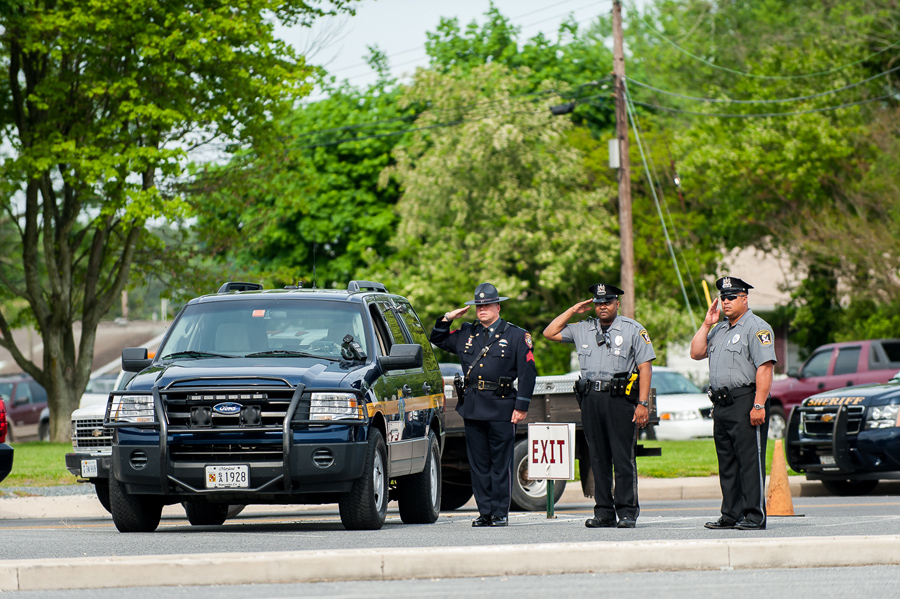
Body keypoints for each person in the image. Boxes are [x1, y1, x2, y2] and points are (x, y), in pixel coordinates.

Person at [542, 283, 655, 529]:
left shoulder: (633, 329)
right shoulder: (582, 328)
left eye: (607, 302)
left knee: (623, 458)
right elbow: (549, 333)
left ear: (617, 303)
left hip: (620, 400)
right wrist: (573, 310)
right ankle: (604, 512)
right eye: (598, 302)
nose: (602, 307)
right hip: (590, 398)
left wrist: (642, 403)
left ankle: (626, 512)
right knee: (598, 458)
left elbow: (645, 366)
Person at [430, 282, 536, 527]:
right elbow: (437, 339)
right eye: (478, 306)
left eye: (487, 305)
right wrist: (447, 318)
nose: (482, 309)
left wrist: (521, 406)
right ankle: (485, 511)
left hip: (502, 406)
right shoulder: (467, 333)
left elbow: (528, 373)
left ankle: (500, 512)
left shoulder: (516, 335)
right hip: (474, 407)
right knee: (478, 465)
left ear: (498, 307)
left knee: (500, 464)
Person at [690, 276, 776, 531]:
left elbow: (765, 367)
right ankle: (730, 514)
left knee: (750, 461)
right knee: (727, 462)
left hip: (746, 401)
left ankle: (753, 515)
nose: (725, 302)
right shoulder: (718, 330)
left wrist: (759, 404)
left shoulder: (757, 328)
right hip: (722, 404)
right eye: (722, 298)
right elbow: (695, 353)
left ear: (744, 298)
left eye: (731, 297)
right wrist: (707, 324)